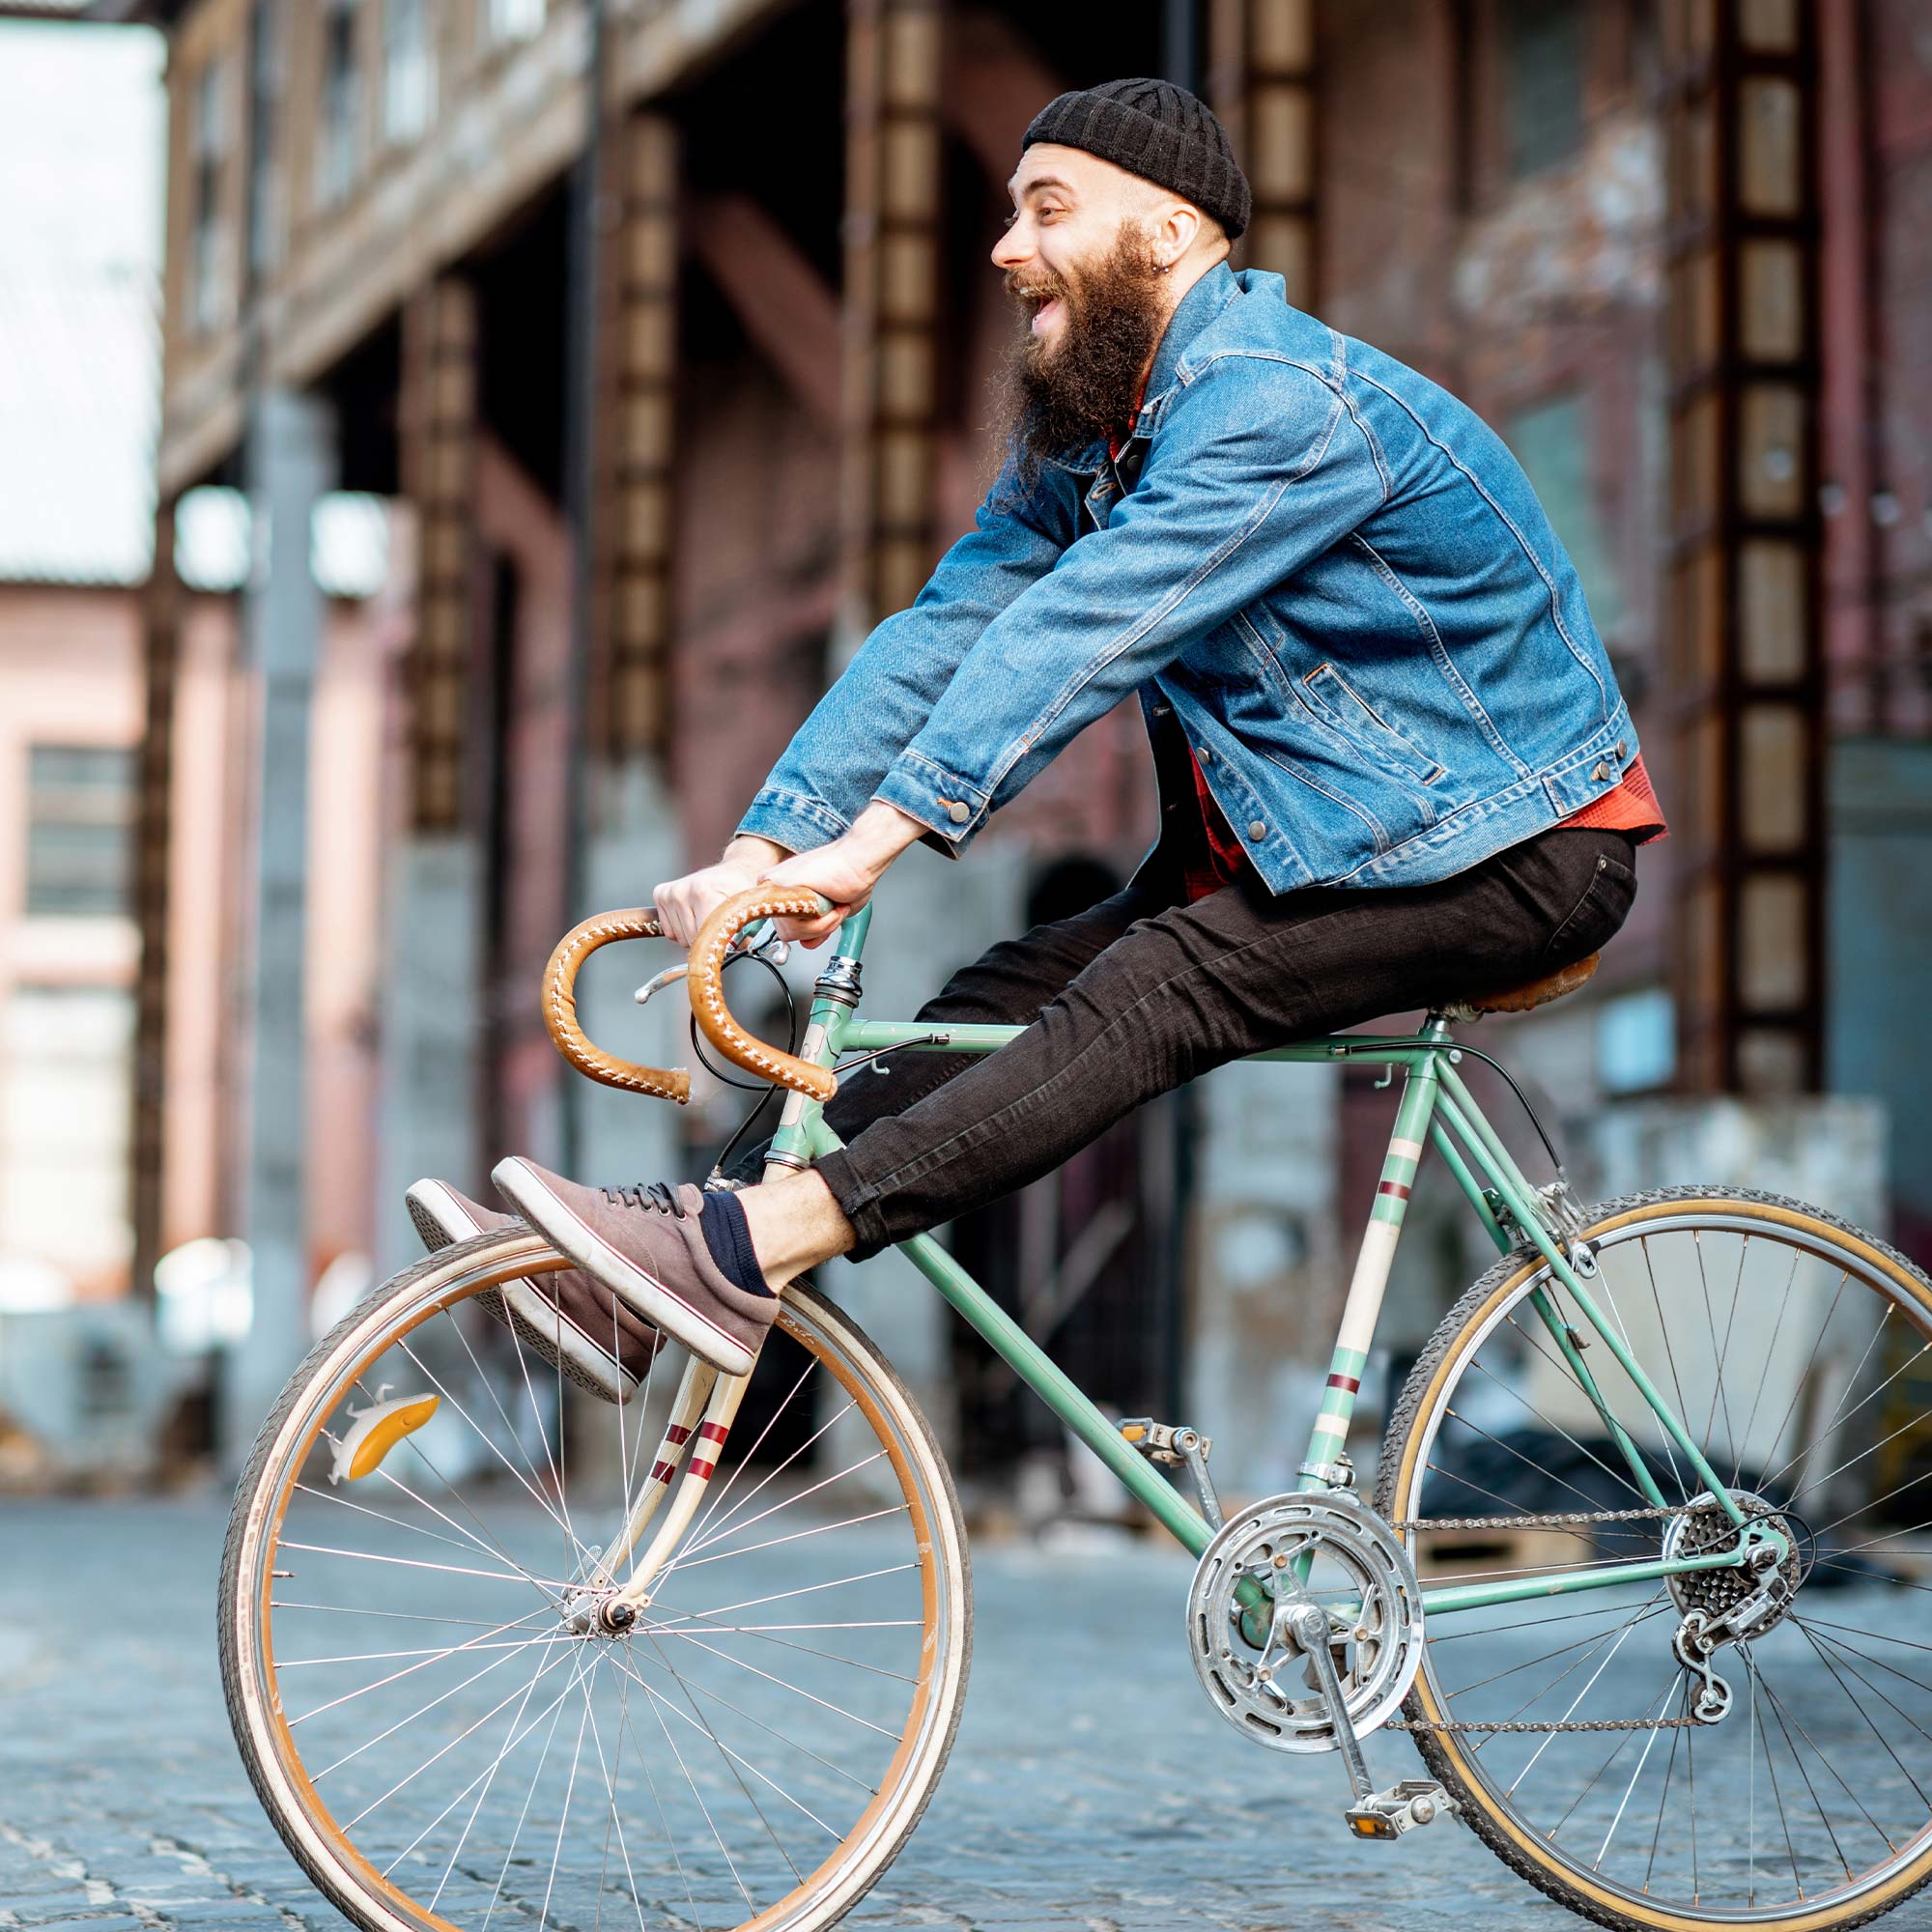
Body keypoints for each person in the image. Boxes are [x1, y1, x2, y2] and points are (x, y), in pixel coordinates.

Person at [414, 78, 1664, 1386]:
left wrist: (881, 838)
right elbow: (948, 630)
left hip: (1520, 844)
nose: (1009, 249)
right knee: (989, 1005)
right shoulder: (1089, 448)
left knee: (1167, 981)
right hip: (1341, 851)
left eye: (1047, 210)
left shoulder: (1279, 404)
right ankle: (644, 1271)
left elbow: (1084, 628)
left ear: (1168, 233)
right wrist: (765, 843)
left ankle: (747, 1245)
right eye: (1012, 213)